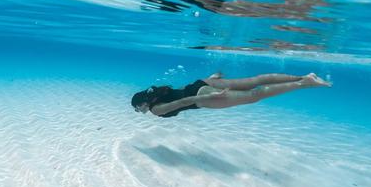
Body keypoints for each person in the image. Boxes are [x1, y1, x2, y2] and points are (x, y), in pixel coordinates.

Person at [131, 72, 331, 118]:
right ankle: (304, 77)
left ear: (144, 103)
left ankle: (305, 83)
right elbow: (181, 91)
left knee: (254, 95)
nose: (141, 111)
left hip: (203, 95)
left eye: (138, 108)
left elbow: (185, 100)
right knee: (256, 81)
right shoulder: (160, 93)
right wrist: (210, 81)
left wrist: (210, 97)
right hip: (202, 83)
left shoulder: (156, 109)